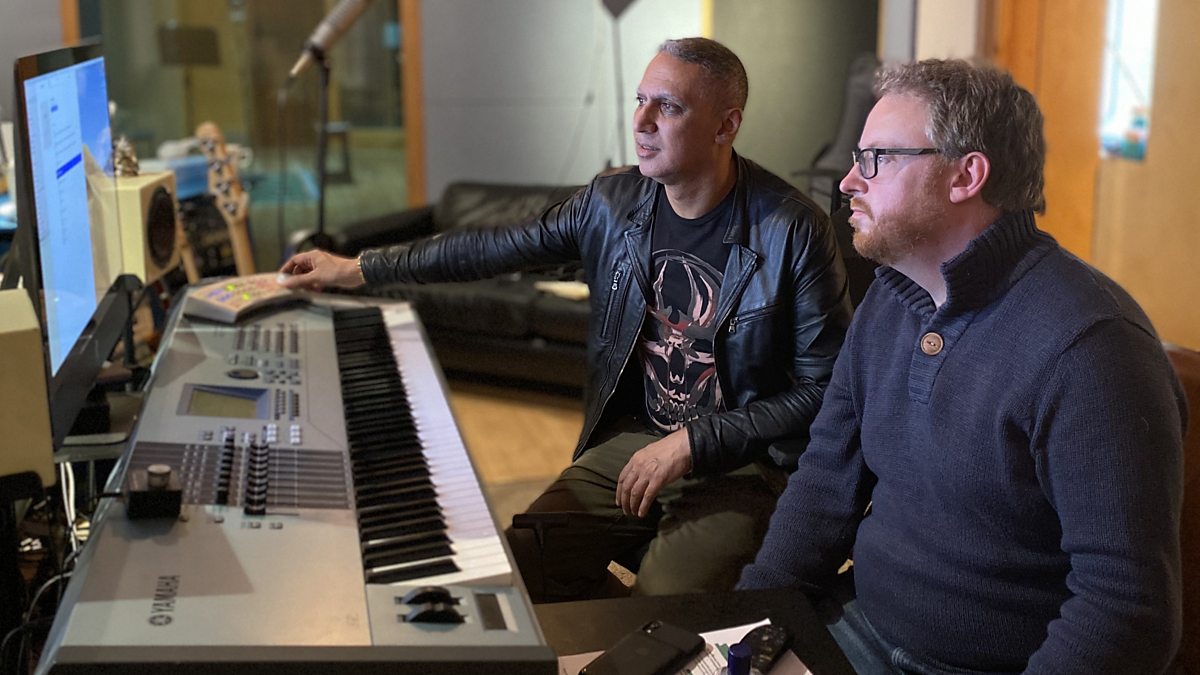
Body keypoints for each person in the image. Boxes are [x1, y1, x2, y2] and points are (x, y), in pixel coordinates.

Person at [278, 37, 851, 600]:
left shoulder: (792, 229)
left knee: (661, 608)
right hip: (640, 438)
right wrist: (359, 268)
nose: (642, 121)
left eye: (669, 106)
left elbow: (824, 389)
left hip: (741, 466)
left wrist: (695, 442)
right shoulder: (611, 201)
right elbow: (490, 248)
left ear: (726, 126)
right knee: (524, 565)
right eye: (640, 100)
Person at [738, 59, 1186, 673]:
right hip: (859, 627)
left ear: (965, 176)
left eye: (876, 158)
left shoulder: (1093, 349)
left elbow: (1127, 608)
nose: (848, 180)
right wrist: (747, 624)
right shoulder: (889, 300)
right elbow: (824, 485)